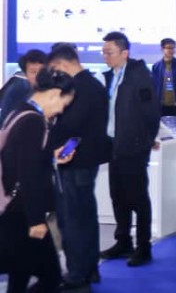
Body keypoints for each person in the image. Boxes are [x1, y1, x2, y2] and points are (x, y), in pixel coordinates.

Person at [0, 69, 76, 293]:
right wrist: (36, 220)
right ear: (54, 94)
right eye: (63, 103)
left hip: (14, 208)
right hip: (23, 212)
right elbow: (29, 174)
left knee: (20, 272)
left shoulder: (20, 111)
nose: (61, 110)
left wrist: (51, 156)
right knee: (51, 277)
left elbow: (21, 158)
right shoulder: (33, 122)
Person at [47, 44, 111, 289]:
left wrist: (50, 129)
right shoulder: (93, 85)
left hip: (74, 160)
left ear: (62, 64)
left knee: (72, 219)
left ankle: (77, 273)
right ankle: (88, 268)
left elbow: (71, 125)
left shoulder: (81, 88)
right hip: (85, 160)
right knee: (84, 216)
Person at [99, 31, 161, 267]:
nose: (105, 56)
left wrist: (145, 141)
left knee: (138, 198)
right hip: (114, 145)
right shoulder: (111, 76)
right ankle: (123, 241)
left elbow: (152, 113)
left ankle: (143, 247)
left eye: (109, 52)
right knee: (118, 196)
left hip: (133, 148)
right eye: (103, 52)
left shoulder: (139, 76)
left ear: (124, 53)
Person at [0, 49, 47, 125]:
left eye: (42, 71)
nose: (38, 76)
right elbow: (5, 121)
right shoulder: (17, 91)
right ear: (25, 74)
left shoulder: (53, 90)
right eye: (33, 72)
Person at [151, 37, 176, 117]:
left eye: (173, 48)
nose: (171, 50)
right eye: (169, 48)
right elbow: (154, 86)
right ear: (162, 49)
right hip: (162, 106)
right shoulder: (156, 67)